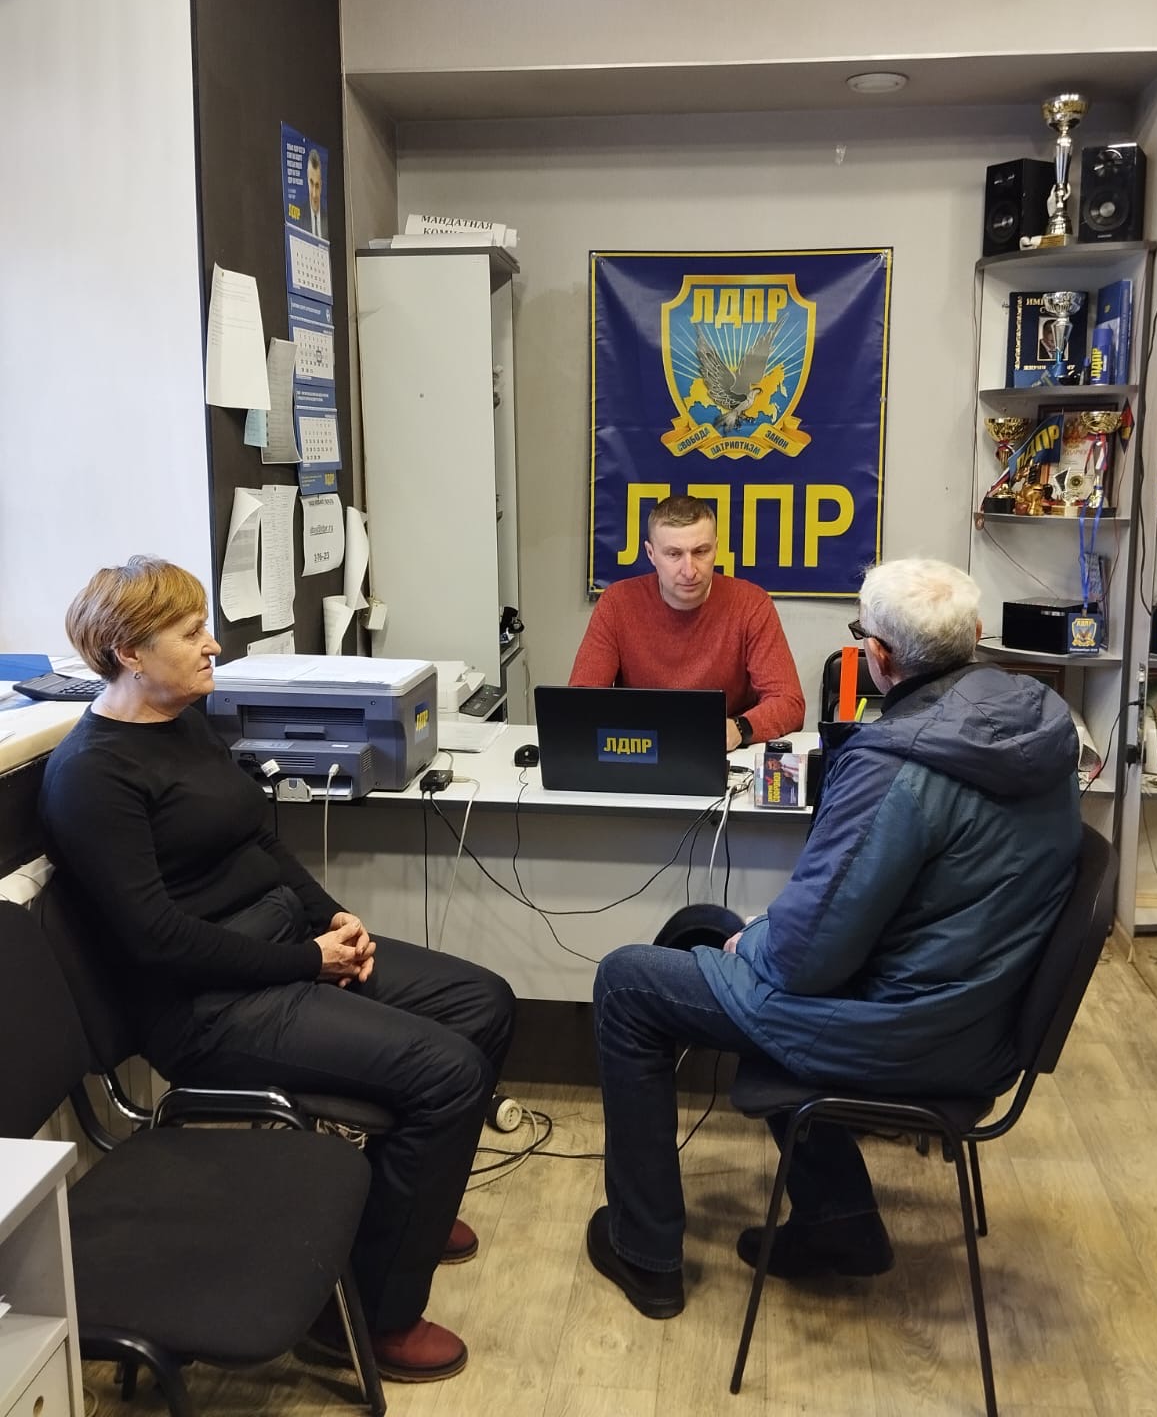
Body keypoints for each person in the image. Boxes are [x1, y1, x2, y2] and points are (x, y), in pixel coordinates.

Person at [38, 557, 514, 1383]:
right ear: (129, 653)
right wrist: (308, 960)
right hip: (207, 1008)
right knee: (449, 1073)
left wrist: (333, 917)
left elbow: (260, 843)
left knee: (485, 1002)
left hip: (283, 947)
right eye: (191, 633)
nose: (212, 645)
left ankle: (406, 1213)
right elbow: (158, 941)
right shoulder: (92, 775)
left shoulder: (185, 722)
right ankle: (368, 1317)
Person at [585, 558, 1081, 1319]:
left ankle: (645, 1253)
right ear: (976, 635)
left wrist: (756, 942)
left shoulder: (895, 764)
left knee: (626, 981)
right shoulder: (1036, 726)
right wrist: (755, 936)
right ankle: (837, 1220)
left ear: (877, 656)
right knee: (705, 926)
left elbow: (806, 961)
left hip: (906, 1028)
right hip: (976, 1011)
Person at [569, 494, 805, 751]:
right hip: (640, 749)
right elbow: (581, 702)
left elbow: (789, 702)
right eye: (674, 554)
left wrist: (739, 728)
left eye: (701, 551)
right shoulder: (617, 603)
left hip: (723, 751)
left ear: (716, 548)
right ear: (651, 553)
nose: (690, 570)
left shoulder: (751, 604)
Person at [304, 146, 326, 239]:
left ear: (321, 185)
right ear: (307, 182)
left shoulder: (328, 219)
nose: (314, 194)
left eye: (317, 186)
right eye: (311, 183)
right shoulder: (297, 219)